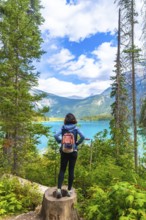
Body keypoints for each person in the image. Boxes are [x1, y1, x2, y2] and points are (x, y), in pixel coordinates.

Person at [54, 113, 85, 198]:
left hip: (64, 151)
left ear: (66, 120)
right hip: (73, 151)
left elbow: (56, 135)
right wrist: (77, 143)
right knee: (71, 170)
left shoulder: (63, 128)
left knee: (62, 170)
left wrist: (60, 141)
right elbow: (83, 136)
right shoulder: (76, 128)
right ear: (73, 120)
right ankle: (69, 191)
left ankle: (59, 190)